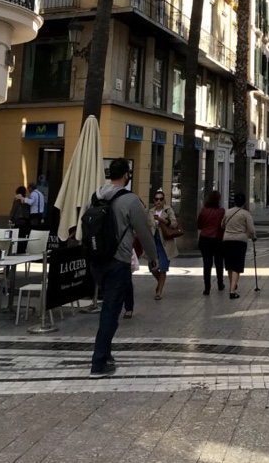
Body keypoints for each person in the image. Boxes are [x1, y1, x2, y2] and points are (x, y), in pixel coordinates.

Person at [87, 157, 159, 378]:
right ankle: (99, 362)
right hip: (118, 261)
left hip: (96, 260)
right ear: (127, 175)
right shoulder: (131, 200)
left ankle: (106, 354)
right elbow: (144, 232)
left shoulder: (96, 195)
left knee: (108, 307)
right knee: (111, 310)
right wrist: (153, 258)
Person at [221, 192, 256, 298]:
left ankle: (232, 284)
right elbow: (251, 229)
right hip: (240, 241)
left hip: (227, 240)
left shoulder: (227, 212)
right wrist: (253, 236)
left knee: (229, 265)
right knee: (237, 265)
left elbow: (222, 225)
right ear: (244, 203)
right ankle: (232, 291)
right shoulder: (246, 214)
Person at [147, 191, 179, 300]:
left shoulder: (168, 210)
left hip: (165, 242)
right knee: (152, 268)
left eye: (161, 199)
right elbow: (148, 225)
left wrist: (162, 220)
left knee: (163, 267)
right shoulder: (151, 211)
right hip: (153, 241)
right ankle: (160, 283)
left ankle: (159, 292)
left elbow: (174, 224)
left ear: (164, 200)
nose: (159, 201)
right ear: (154, 201)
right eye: (156, 199)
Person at [197, 190, 225, 295]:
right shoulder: (221, 211)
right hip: (218, 239)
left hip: (205, 239)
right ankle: (220, 284)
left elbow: (199, 225)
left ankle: (207, 288)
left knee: (207, 264)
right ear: (218, 200)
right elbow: (223, 225)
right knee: (219, 263)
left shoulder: (204, 210)